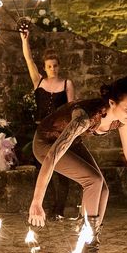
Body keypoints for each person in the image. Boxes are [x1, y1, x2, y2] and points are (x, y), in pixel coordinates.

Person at [28, 77, 127, 253]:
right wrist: (37, 201)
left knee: (103, 189)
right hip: (46, 144)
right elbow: (52, 156)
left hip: (71, 144)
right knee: (93, 180)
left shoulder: (123, 120)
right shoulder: (84, 117)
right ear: (112, 103)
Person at [20, 27, 75, 220]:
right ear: (45, 67)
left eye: (55, 66)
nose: (52, 69)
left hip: (60, 133)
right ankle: (47, 207)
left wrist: (71, 135)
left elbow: (72, 111)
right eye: (49, 66)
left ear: (59, 66)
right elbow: (28, 60)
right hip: (41, 134)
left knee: (62, 172)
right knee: (43, 170)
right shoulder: (39, 82)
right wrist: (24, 40)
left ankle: (59, 210)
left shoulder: (67, 84)